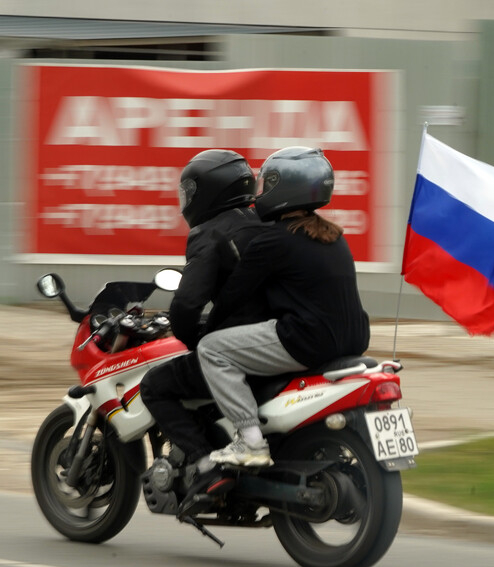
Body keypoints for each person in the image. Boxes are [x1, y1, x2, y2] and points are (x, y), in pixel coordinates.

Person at [197, 146, 371, 467]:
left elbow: (231, 298)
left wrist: (203, 330)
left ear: (283, 188)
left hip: (307, 340)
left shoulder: (272, 240)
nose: (260, 192)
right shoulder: (333, 235)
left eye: (267, 184)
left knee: (211, 349)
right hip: (354, 338)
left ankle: (250, 441)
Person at [138, 149, 270, 510]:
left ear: (209, 192)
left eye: (190, 191)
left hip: (239, 348)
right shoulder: (263, 223)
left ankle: (206, 464)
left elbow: (186, 304)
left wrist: (193, 337)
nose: (187, 201)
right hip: (275, 339)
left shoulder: (209, 233)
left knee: (156, 386)